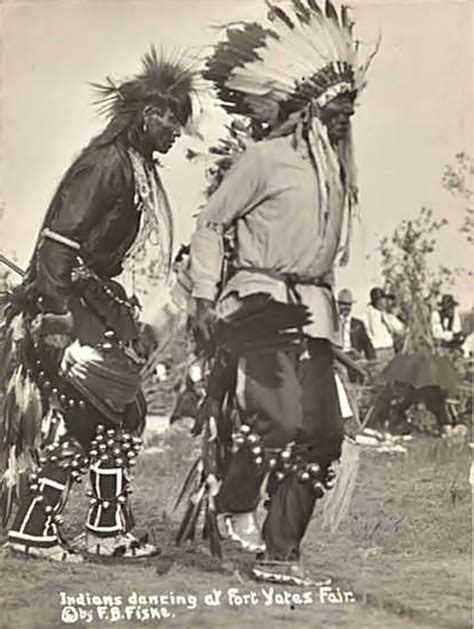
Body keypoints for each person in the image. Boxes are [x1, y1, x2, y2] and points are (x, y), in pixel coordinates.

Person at [189, 0, 377, 585]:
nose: (346, 116)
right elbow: (211, 223)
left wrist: (337, 332)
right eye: (337, 106)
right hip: (259, 304)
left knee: (321, 435)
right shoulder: (264, 160)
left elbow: (323, 263)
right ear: (308, 108)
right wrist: (201, 297)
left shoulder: (338, 175)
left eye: (351, 107)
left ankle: (280, 554)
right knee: (279, 418)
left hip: (313, 314)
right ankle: (233, 498)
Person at [1, 47, 199, 562]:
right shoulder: (106, 164)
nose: (178, 131)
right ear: (148, 114)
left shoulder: (132, 165)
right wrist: (59, 313)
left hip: (98, 302)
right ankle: (34, 527)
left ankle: (105, 527)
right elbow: (57, 244)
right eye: (173, 119)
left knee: (125, 414)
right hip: (72, 306)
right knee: (85, 416)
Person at [337, 288, 375, 361]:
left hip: (354, 358)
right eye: (343, 304)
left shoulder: (358, 324)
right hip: (339, 358)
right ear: (338, 305)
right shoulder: (333, 323)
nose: (346, 307)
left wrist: (371, 361)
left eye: (348, 304)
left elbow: (367, 345)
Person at [364, 287, 395, 361]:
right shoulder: (370, 312)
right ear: (378, 301)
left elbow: (391, 329)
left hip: (389, 347)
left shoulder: (383, 313)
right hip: (379, 349)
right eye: (383, 299)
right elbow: (368, 330)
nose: (385, 302)